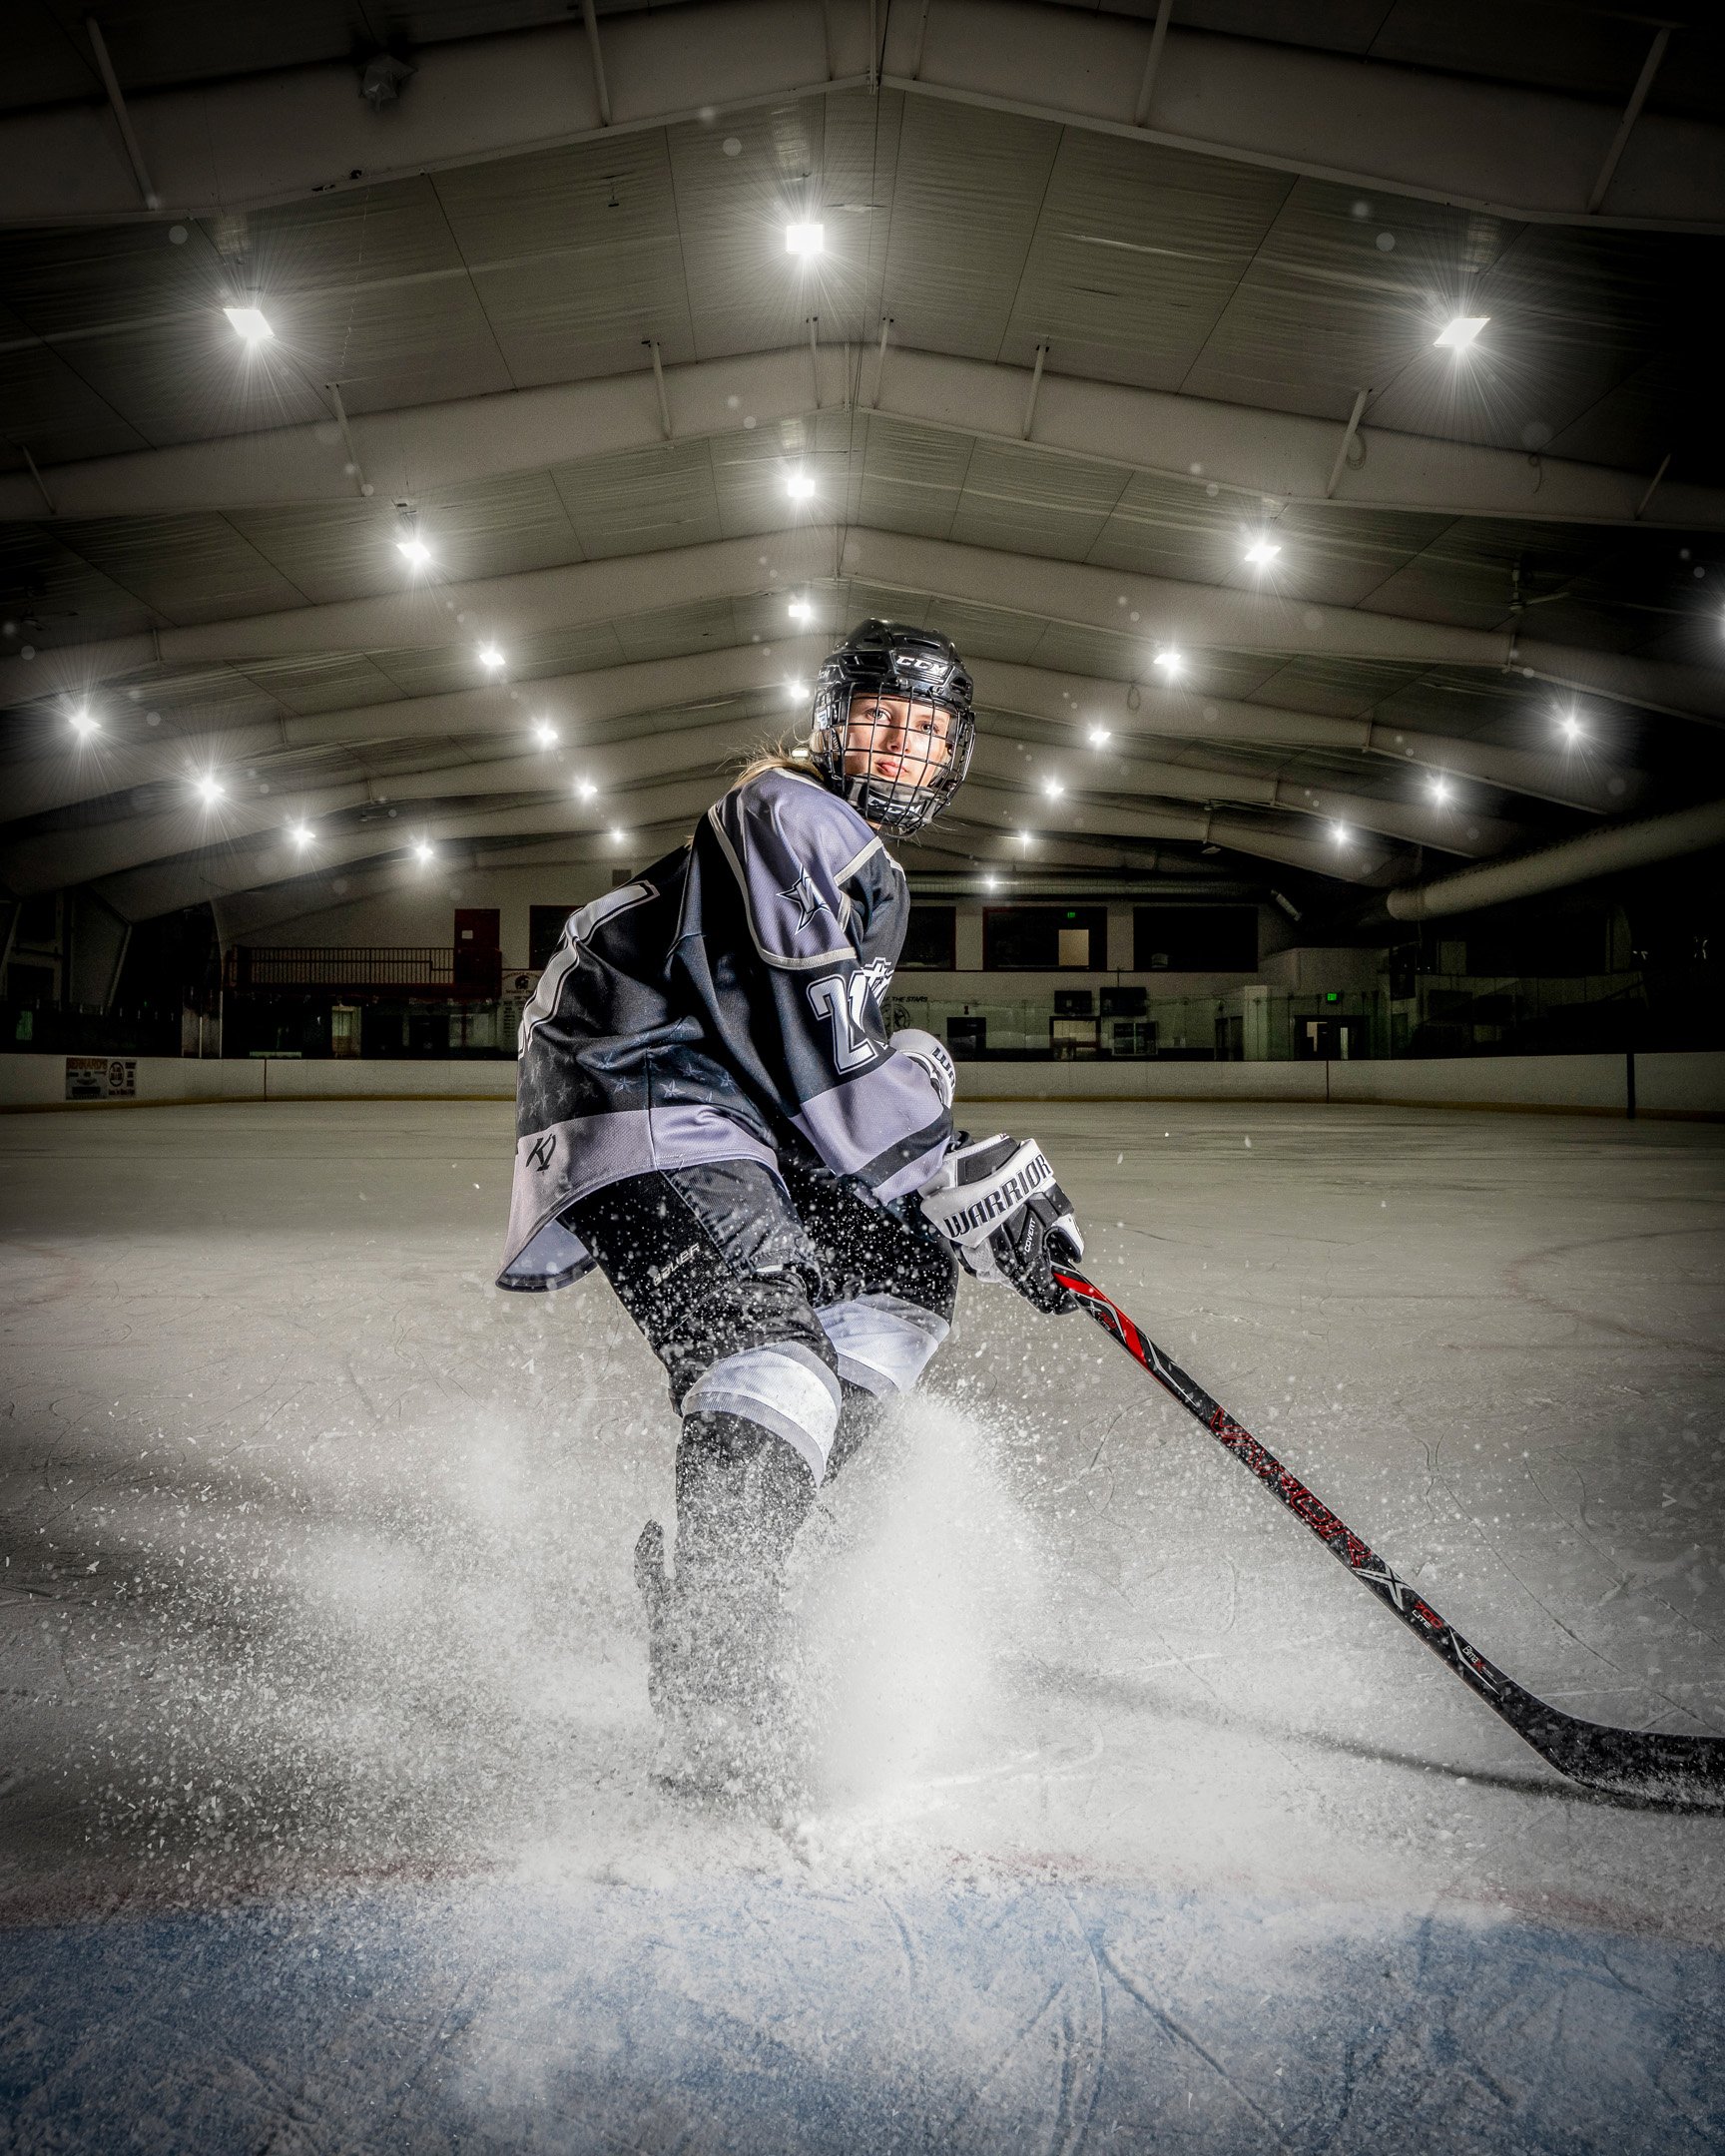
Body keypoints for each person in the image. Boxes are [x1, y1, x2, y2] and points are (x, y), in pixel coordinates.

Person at [497, 620, 1086, 1784]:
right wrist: (947, 1162)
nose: (906, 751)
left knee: (904, 1277)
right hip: (644, 1087)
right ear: (831, 724)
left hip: (736, 1107)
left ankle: (732, 1567)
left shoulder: (866, 861)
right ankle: (718, 1659)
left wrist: (949, 1187)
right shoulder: (783, 809)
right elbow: (810, 1041)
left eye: (929, 733)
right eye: (883, 721)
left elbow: (840, 1052)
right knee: (766, 1344)